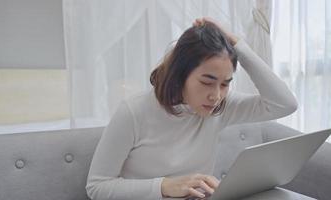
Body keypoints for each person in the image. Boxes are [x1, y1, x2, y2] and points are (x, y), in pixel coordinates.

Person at [86, 17, 298, 200]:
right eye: (207, 82)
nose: (216, 95)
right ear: (180, 74)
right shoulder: (133, 112)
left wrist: (236, 44)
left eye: (225, 84)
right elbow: (97, 186)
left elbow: (285, 104)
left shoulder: (220, 107)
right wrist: (165, 186)